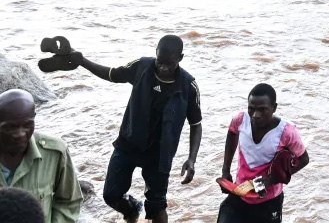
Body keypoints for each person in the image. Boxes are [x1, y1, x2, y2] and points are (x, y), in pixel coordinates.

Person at [74, 35, 202, 223]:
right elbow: (112, 74)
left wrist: (191, 159)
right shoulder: (141, 67)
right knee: (111, 195)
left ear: (180, 58)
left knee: (157, 206)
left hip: (159, 154)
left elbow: (196, 125)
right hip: (128, 145)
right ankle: (132, 210)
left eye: (170, 63)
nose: (163, 68)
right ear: (155, 54)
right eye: (160, 62)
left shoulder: (188, 85)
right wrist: (82, 61)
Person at [218, 83, 309, 223]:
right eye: (251, 109)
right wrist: (225, 170)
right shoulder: (241, 120)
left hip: (269, 200)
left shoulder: (287, 132)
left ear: (274, 108)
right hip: (240, 192)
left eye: (263, 110)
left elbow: (303, 159)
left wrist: (271, 179)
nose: (255, 115)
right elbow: (232, 133)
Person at [0, 89, 82, 223]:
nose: (20, 134)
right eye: (10, 127)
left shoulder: (55, 152)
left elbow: (69, 201)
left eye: (27, 125)